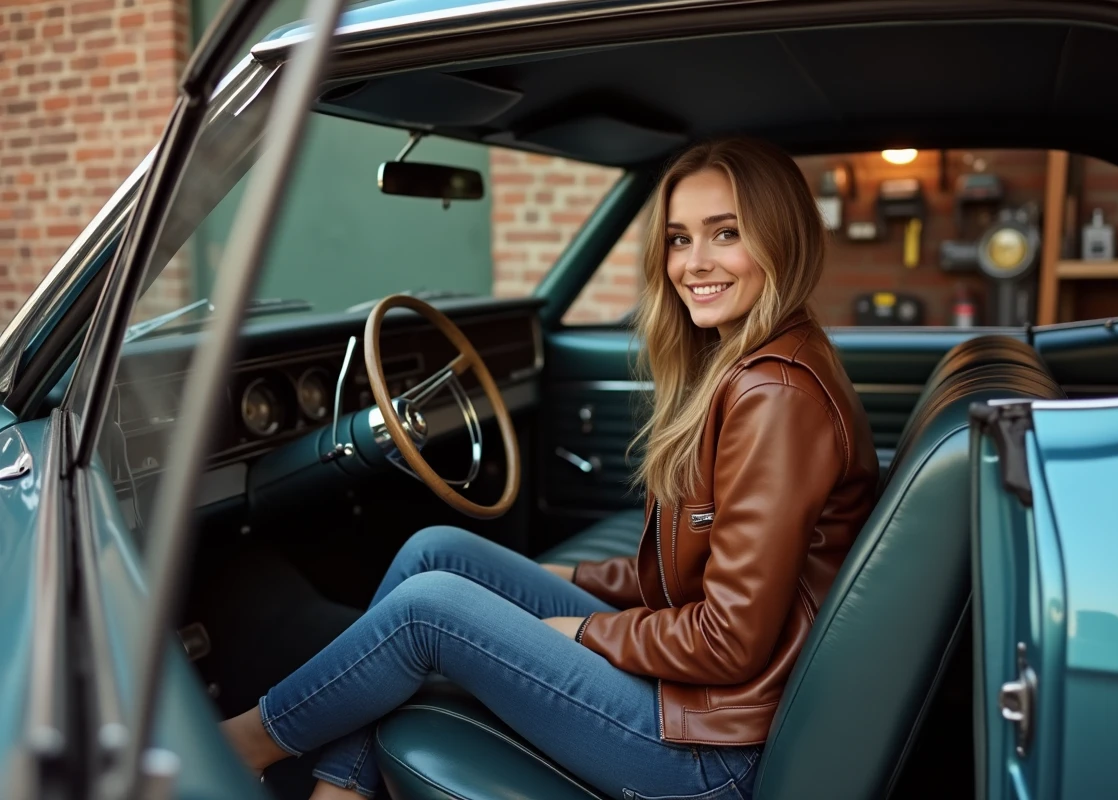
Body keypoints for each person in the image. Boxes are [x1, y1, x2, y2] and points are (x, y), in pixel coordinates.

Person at [221, 137, 878, 800]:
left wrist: (584, 629)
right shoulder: (749, 362)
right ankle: (341, 790)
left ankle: (242, 745)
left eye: (725, 234)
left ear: (783, 240)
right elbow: (700, 570)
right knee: (436, 553)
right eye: (678, 239)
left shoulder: (776, 397)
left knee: (427, 609)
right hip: (705, 702)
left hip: (710, 749)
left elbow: (730, 640)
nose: (694, 263)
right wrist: (566, 578)